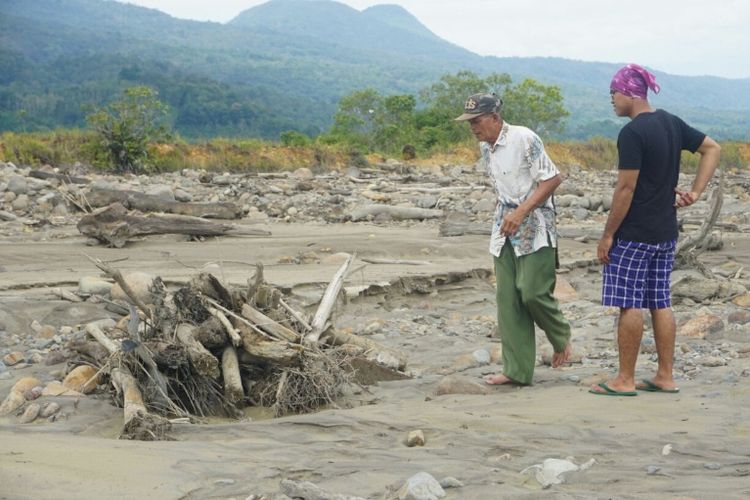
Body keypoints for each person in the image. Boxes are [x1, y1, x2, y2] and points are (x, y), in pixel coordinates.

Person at [590, 64, 721, 396]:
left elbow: (625, 190)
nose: (611, 100)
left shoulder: (632, 133)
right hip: (665, 232)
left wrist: (608, 235)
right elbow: (712, 148)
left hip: (634, 234)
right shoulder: (671, 123)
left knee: (629, 304)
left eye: (613, 93)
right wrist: (696, 192)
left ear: (629, 93)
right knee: (660, 302)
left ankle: (625, 379)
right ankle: (665, 375)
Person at [455, 92, 572, 385]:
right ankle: (516, 371)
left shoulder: (524, 138)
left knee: (531, 291)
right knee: (508, 299)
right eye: (469, 122)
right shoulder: (487, 149)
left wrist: (520, 213)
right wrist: (509, 216)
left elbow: (552, 179)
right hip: (504, 225)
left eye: (477, 121)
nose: (473, 128)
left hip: (534, 222)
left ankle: (560, 336)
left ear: (495, 118)